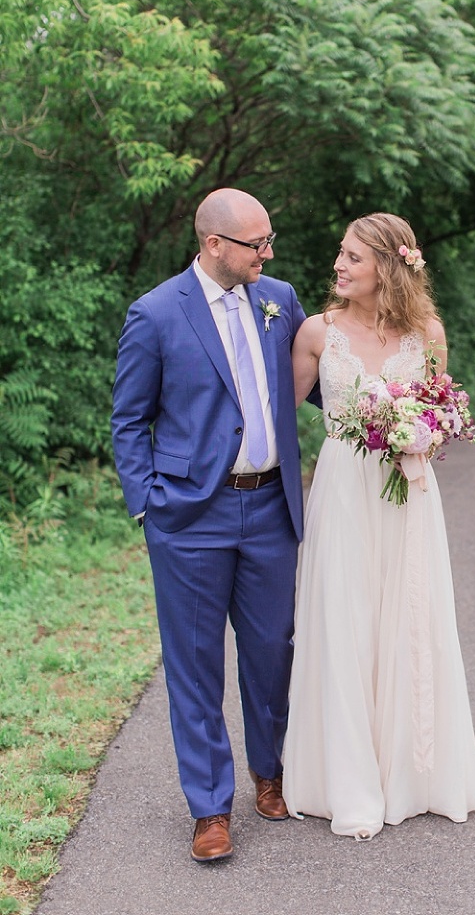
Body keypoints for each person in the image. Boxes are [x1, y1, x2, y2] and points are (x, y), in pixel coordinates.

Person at [112, 188, 314, 863]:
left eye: (269, 238)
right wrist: (146, 502)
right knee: (195, 664)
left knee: (272, 650)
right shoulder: (156, 313)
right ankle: (208, 809)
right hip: (188, 516)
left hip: (269, 508)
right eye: (256, 243)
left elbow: (321, 375)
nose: (269, 251)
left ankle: (272, 771)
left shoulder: (279, 299)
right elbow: (128, 419)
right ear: (213, 245)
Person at [283, 212, 475, 839]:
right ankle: (347, 778)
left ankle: (414, 773)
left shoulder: (427, 331)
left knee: (408, 618)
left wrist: (423, 434)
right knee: (346, 618)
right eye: (339, 255)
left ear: (387, 266)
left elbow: (440, 407)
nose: (339, 266)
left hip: (407, 494)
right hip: (344, 489)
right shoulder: (315, 333)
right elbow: (275, 414)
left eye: (352, 257)